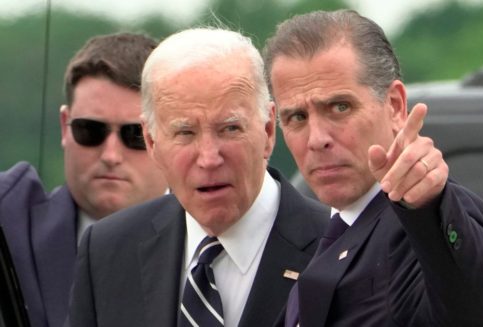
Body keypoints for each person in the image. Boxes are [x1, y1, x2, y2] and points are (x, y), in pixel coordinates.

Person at [264, 9, 483, 327]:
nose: (317, 139)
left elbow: (476, 314)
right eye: (297, 117)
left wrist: (427, 207)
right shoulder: (313, 236)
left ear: (395, 106)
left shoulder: (422, 220)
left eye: (340, 107)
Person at [67, 27, 328, 327]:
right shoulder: (108, 251)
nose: (208, 158)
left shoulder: (337, 249)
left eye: (230, 129)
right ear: (151, 142)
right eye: (185, 133)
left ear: (268, 131)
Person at [0, 33, 168, 327]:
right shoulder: (10, 219)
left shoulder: (211, 239)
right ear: (65, 127)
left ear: (166, 135)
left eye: (134, 135)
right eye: (90, 130)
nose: (111, 154)